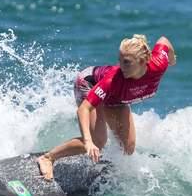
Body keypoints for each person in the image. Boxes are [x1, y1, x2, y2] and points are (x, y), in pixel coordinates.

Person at [38, 34, 177, 181]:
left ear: (142, 61)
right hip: (89, 83)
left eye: (127, 62)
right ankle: (48, 158)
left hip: (116, 98)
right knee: (98, 140)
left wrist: (172, 59)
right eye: (120, 60)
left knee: (128, 148)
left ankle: (103, 157)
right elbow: (84, 109)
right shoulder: (114, 79)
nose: (121, 66)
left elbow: (164, 41)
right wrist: (88, 142)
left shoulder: (158, 64)